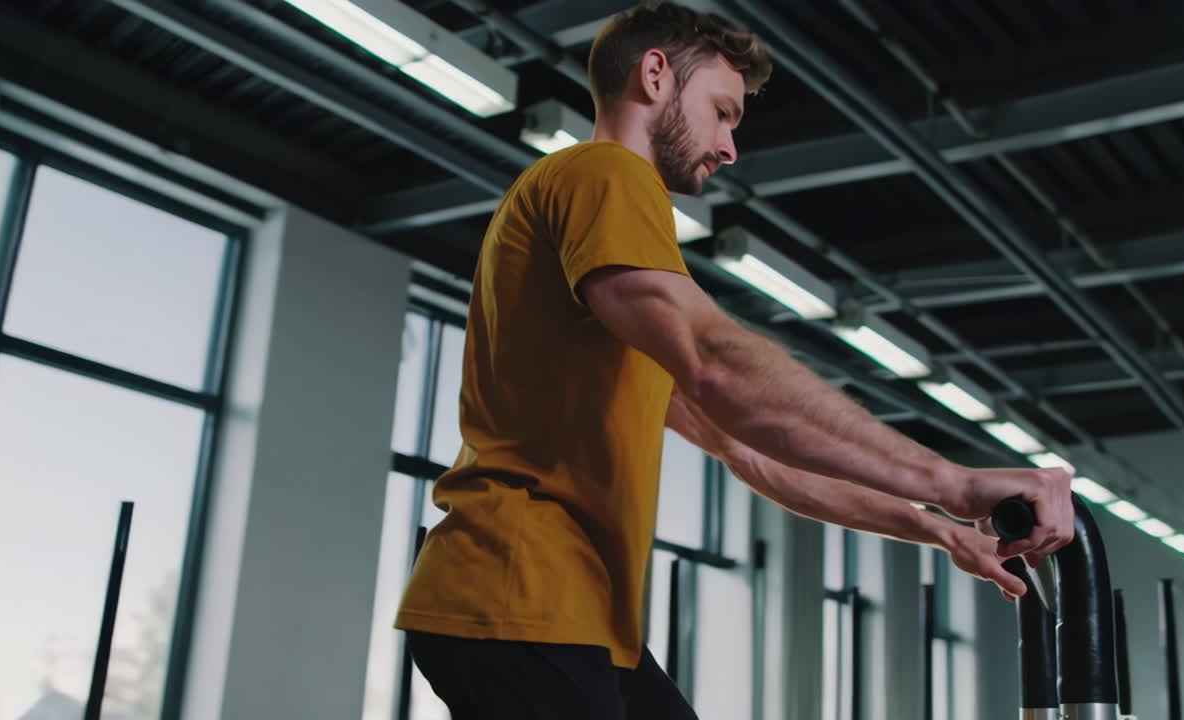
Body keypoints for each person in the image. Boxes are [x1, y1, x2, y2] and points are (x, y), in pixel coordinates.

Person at [394, 1, 1074, 717]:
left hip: (575, 612)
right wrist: (950, 480)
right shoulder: (604, 173)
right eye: (722, 112)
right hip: (518, 590)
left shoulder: (608, 298)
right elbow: (714, 360)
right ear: (655, 74)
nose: (729, 146)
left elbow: (755, 453)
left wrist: (933, 524)